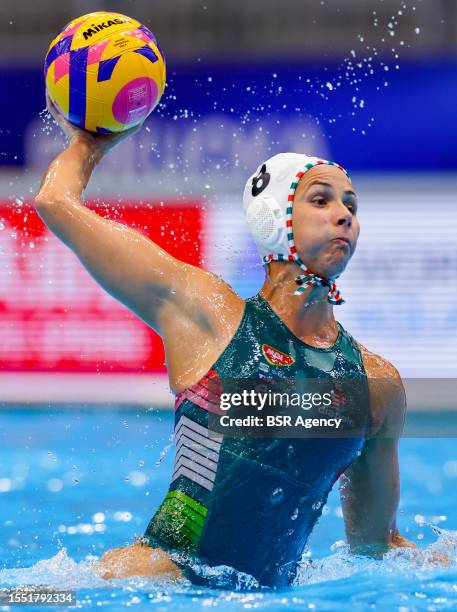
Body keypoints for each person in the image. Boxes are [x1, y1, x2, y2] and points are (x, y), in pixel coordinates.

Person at [34, 99, 416, 589]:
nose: (343, 215)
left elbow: (374, 549)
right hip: (151, 585)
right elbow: (56, 205)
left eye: (351, 205)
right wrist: (88, 143)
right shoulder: (210, 316)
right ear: (277, 218)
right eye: (321, 200)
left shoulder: (376, 385)